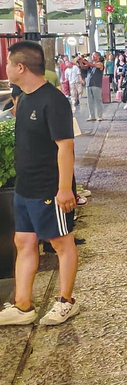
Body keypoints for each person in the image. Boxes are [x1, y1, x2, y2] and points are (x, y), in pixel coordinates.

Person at [0, 41, 79, 326]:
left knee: (61, 242)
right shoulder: (23, 98)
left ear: (20, 67)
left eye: (8, 64)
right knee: (23, 242)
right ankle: (23, 306)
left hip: (48, 187)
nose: (6, 69)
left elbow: (65, 146)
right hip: (25, 186)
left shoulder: (53, 100)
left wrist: (64, 188)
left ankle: (66, 301)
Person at [84, 51, 104, 121]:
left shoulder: (100, 64)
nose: (93, 57)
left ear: (98, 56)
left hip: (96, 84)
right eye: (92, 55)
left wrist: (85, 61)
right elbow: (83, 67)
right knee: (90, 101)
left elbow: (93, 65)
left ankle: (100, 115)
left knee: (98, 100)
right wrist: (80, 61)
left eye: (94, 55)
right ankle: (92, 115)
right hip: (89, 84)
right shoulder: (90, 65)